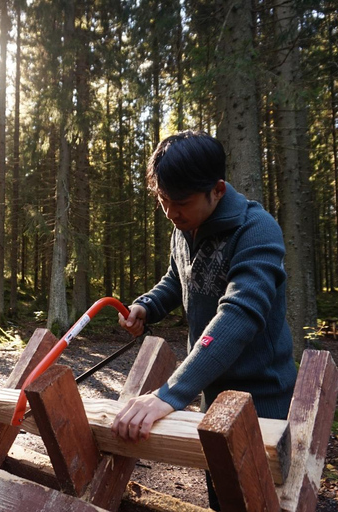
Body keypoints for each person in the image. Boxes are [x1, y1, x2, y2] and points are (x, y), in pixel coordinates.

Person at [111, 130, 297, 509]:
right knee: (222, 497)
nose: (170, 212)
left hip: (262, 399)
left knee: (260, 499)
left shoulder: (256, 230)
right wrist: (147, 307)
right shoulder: (185, 228)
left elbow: (241, 314)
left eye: (179, 202)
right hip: (213, 391)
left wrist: (171, 393)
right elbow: (177, 279)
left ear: (217, 189)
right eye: (162, 201)